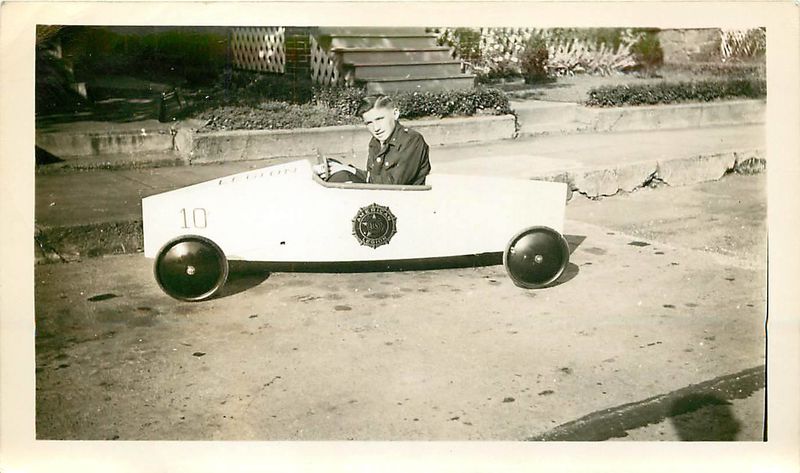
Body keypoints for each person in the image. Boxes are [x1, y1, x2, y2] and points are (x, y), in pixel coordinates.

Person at [317, 95, 431, 185]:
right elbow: (372, 180)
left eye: (380, 119)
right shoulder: (376, 142)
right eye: (369, 123)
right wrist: (339, 168)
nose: (376, 128)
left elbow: (394, 184)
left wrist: (351, 171)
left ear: (395, 114)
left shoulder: (412, 140)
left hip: (406, 204)